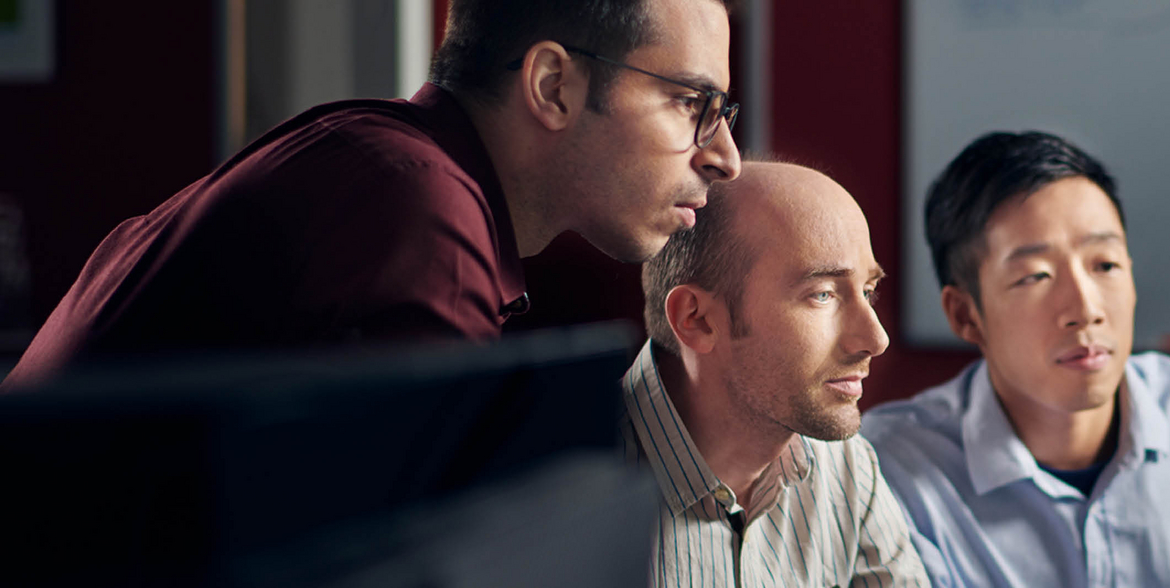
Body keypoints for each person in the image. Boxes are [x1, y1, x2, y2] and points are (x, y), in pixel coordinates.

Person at [2, 0, 741, 390]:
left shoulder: (382, 164)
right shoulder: (416, 212)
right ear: (553, 86)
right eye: (692, 104)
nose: (727, 157)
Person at [860, 131, 1170, 587]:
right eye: (1035, 276)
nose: (1085, 310)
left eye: (1105, 265)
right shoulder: (886, 470)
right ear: (966, 315)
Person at [627, 161, 927, 587]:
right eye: (822, 294)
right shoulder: (553, 492)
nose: (876, 339)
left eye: (867, 291)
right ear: (697, 320)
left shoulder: (848, 468)